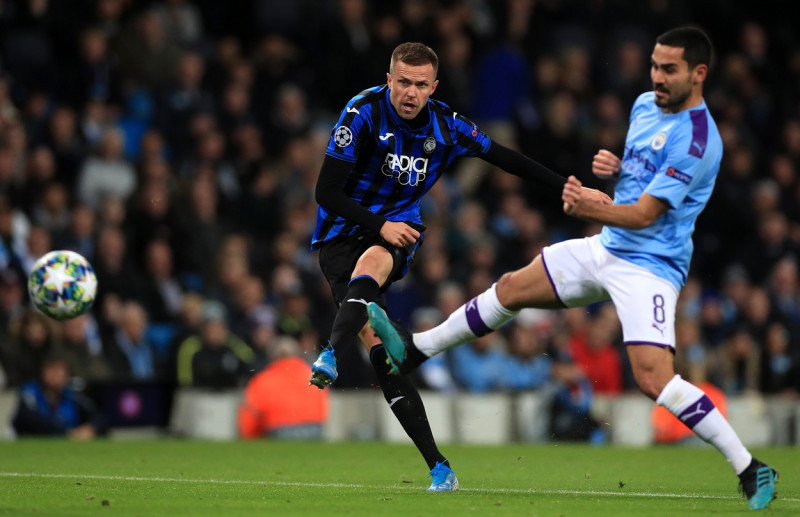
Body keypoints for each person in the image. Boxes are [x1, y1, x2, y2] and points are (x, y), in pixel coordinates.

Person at [367, 28, 778, 510]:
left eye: (670, 70)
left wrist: (587, 205)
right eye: (654, 66)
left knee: (652, 379)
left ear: (698, 74)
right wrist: (619, 171)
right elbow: (642, 181)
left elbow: (648, 214)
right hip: (608, 246)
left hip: (651, 265)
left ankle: (750, 467)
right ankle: (417, 350)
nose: (657, 77)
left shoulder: (700, 140)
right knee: (511, 288)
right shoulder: (646, 105)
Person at [308, 41, 609, 491]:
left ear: (434, 86)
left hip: (397, 231)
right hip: (341, 232)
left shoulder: (447, 125)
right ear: (389, 80)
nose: (410, 93)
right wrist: (379, 223)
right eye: (403, 82)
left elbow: (505, 157)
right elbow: (325, 192)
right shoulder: (361, 114)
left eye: (420, 85)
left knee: (371, 266)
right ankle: (440, 467)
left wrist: (569, 188)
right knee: (384, 356)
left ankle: (329, 353)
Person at [238, 337, 328, 440]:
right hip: (314, 431)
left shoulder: (262, 380)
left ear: (271, 356)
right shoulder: (315, 377)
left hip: (278, 431)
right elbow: (323, 407)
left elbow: (250, 415)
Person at [12, 354, 107, 439]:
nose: (56, 375)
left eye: (60, 371)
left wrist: (90, 428)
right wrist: (66, 432)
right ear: (43, 373)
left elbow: (98, 416)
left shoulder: (72, 395)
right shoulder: (29, 392)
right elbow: (29, 420)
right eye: (52, 370)